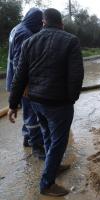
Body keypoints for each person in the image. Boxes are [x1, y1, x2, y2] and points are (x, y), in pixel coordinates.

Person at [8, 8, 84, 196]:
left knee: (48, 136)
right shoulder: (71, 41)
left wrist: (12, 104)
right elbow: (76, 76)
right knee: (58, 142)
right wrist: (70, 99)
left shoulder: (29, 41)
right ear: (61, 24)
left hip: (36, 102)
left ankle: (54, 166)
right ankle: (46, 184)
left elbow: (19, 75)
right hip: (59, 104)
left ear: (43, 22)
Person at [6, 8, 45, 159]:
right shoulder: (25, 34)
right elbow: (18, 63)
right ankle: (37, 147)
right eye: (39, 23)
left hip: (15, 80)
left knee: (27, 111)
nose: (41, 26)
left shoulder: (17, 28)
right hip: (22, 82)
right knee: (32, 113)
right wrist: (25, 85)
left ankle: (26, 139)